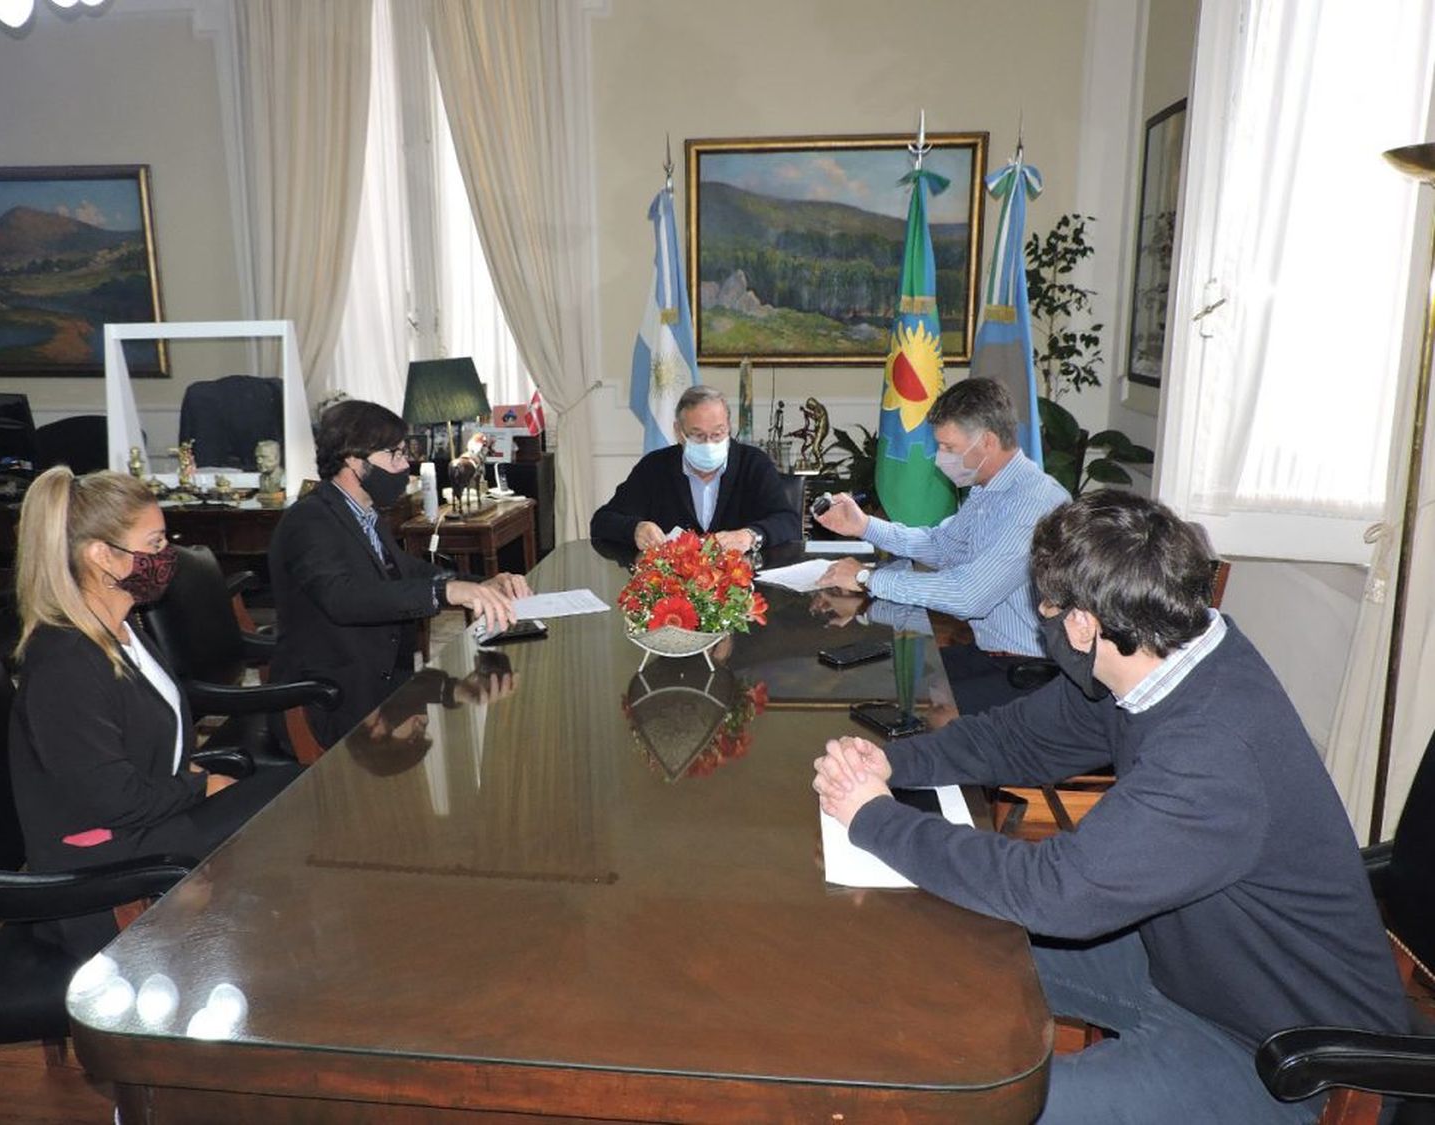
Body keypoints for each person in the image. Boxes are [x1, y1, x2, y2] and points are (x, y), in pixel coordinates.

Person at [812, 491, 1407, 1124]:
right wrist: (894, 766)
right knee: (940, 939)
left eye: (1045, 608)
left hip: (1286, 1059)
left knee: (997, 1112)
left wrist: (876, 818)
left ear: (1080, 625)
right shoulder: (1161, 655)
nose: (1042, 621)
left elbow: (1055, 892)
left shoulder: (1211, 754)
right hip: (1186, 963)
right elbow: (1020, 738)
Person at [9, 467, 297, 958]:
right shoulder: (64, 661)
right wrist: (198, 785)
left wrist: (189, 777)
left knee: (294, 791)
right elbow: (112, 799)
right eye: (156, 542)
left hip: (143, 830)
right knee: (285, 815)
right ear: (103, 556)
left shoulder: (121, 627)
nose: (168, 556)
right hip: (103, 870)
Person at [268, 399, 530, 750]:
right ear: (353, 461)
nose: (406, 465)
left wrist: (477, 584)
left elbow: (409, 571)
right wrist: (446, 594)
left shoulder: (365, 515)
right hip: (329, 702)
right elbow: (342, 599)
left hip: (381, 685)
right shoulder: (309, 520)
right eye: (395, 454)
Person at [814, 377, 1069, 712]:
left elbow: (969, 596)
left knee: (922, 712)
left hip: (1029, 670)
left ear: (988, 442)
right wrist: (863, 526)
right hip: (989, 652)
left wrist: (867, 579)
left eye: (948, 448)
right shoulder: (988, 488)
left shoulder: (1033, 504)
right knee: (886, 682)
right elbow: (942, 546)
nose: (939, 459)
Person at [591, 385, 799, 553]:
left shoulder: (753, 463)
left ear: (729, 427)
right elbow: (603, 521)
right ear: (679, 432)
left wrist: (750, 536)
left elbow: (788, 522)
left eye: (718, 434)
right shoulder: (655, 468)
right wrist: (635, 529)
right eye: (698, 435)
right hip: (674, 591)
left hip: (741, 589)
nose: (709, 443)